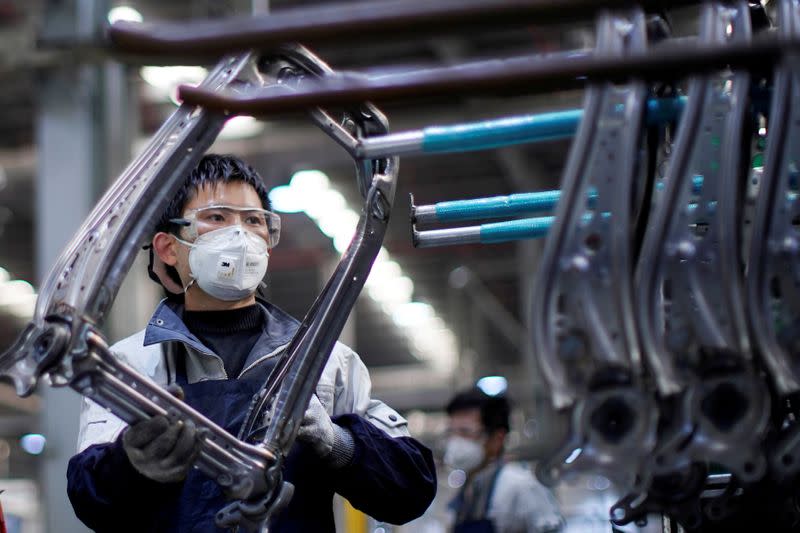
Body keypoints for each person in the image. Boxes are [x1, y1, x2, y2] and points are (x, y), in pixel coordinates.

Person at [66, 154, 437, 532]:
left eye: (254, 220)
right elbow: (89, 500)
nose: (240, 235)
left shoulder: (325, 362)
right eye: (217, 218)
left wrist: (338, 442)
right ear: (168, 248)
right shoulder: (130, 366)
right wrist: (131, 464)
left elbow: (412, 490)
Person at [444, 387, 563, 533]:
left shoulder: (520, 487)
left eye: (465, 432)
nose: (455, 441)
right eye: (451, 432)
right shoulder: (465, 492)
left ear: (497, 438)